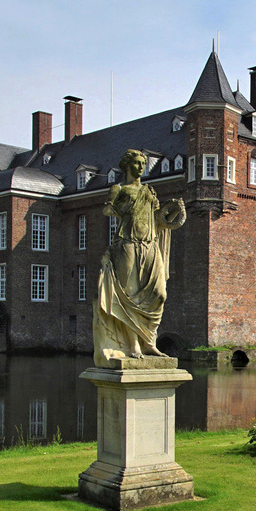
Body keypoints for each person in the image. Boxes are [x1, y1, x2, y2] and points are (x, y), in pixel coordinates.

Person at [93, 149, 187, 365]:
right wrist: (120, 205)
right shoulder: (118, 189)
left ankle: (149, 340)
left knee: (159, 294)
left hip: (150, 245)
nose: (141, 167)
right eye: (136, 163)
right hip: (126, 245)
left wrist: (172, 215)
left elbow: (157, 220)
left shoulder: (149, 191)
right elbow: (108, 211)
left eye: (143, 163)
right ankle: (135, 344)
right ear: (127, 166)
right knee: (130, 295)